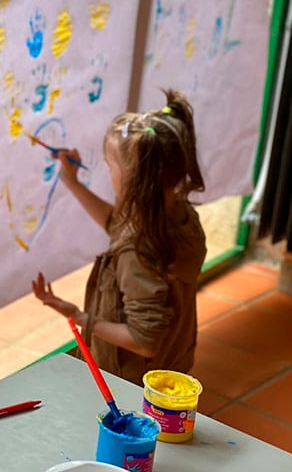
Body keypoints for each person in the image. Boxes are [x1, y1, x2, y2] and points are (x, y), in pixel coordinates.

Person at [32, 89, 207, 385]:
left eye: (111, 165)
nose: (109, 171)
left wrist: (79, 316)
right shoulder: (179, 215)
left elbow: (144, 340)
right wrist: (72, 183)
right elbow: (119, 224)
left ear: (138, 180)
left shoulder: (136, 250)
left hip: (128, 381)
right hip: (171, 366)